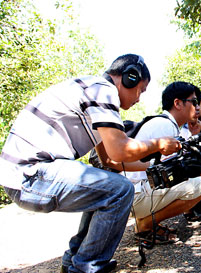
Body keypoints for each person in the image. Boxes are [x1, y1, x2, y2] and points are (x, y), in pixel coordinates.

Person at [0, 54, 182, 273]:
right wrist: (159, 144)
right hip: (31, 174)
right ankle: (87, 267)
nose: (138, 99)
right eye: (140, 90)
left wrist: (151, 168)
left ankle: (74, 260)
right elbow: (120, 149)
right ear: (129, 78)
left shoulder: (92, 94)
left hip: (24, 175)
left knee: (105, 186)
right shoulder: (103, 90)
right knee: (121, 190)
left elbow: (110, 161)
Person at [121, 81, 201, 243]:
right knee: (199, 186)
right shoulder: (165, 126)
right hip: (135, 195)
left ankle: (148, 221)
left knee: (191, 181)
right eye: (194, 102)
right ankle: (146, 224)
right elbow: (169, 173)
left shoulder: (165, 124)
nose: (197, 107)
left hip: (134, 192)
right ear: (178, 103)